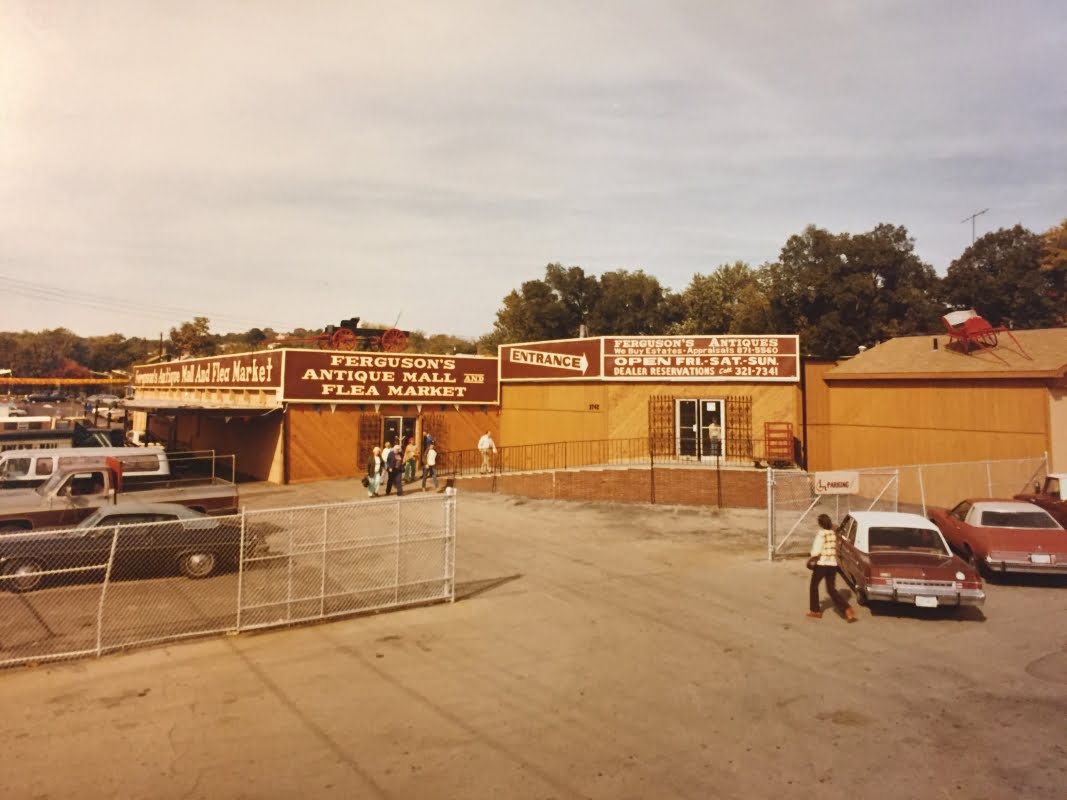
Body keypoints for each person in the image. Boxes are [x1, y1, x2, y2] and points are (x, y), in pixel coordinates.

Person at [808, 514, 856, 622]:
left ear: (820, 524)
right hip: (833, 565)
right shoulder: (833, 534)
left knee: (814, 586)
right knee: (831, 589)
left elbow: (816, 551)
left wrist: (811, 556)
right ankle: (847, 609)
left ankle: (815, 610)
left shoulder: (821, 534)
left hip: (822, 564)